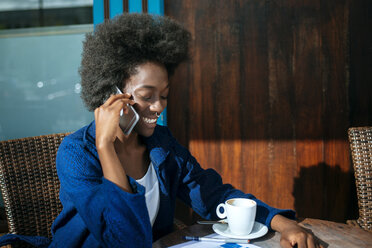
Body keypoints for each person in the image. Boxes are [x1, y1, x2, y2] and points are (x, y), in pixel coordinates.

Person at [0, 13, 320, 248]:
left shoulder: (162, 146)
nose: (158, 107)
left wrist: (285, 224)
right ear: (112, 94)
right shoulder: (76, 154)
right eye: (146, 96)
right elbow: (123, 242)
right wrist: (106, 148)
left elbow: (214, 194)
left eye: (164, 95)